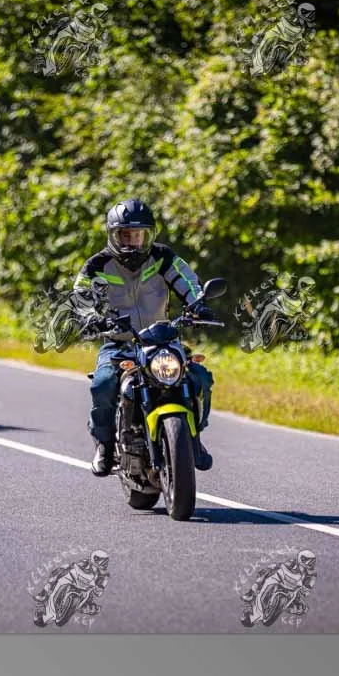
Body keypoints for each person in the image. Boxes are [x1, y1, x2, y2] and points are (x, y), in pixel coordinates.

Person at [74, 198, 217, 477]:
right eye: (126, 236)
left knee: (198, 377)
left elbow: (188, 281)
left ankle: (194, 438)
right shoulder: (97, 265)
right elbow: (81, 296)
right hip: (119, 342)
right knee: (103, 384)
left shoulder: (163, 257)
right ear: (113, 236)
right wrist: (89, 317)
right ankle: (104, 444)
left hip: (162, 341)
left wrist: (197, 304)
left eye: (138, 235)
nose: (133, 242)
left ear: (149, 235)